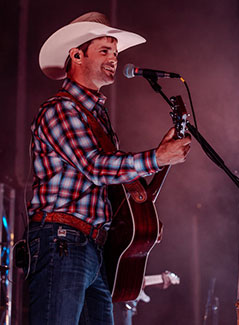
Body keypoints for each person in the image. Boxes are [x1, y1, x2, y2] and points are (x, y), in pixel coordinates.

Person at [25, 11, 191, 325]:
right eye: (105, 50)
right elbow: (96, 167)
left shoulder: (98, 118)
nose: (114, 58)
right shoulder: (59, 109)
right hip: (62, 241)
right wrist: (157, 157)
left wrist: (143, 212)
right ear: (76, 55)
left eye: (115, 52)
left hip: (90, 247)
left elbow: (109, 186)